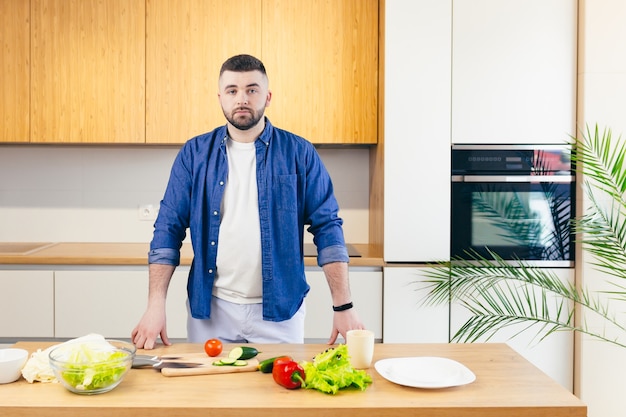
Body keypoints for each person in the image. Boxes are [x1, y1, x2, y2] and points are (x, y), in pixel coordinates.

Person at [131, 54, 364, 349]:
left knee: (281, 393)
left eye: (252, 90)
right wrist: (155, 305)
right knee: (210, 393)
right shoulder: (194, 154)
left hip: (280, 312)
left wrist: (343, 307)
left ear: (267, 97)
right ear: (220, 98)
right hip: (211, 312)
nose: (242, 98)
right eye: (232, 90)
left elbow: (328, 227)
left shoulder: (299, 153)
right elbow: (168, 228)